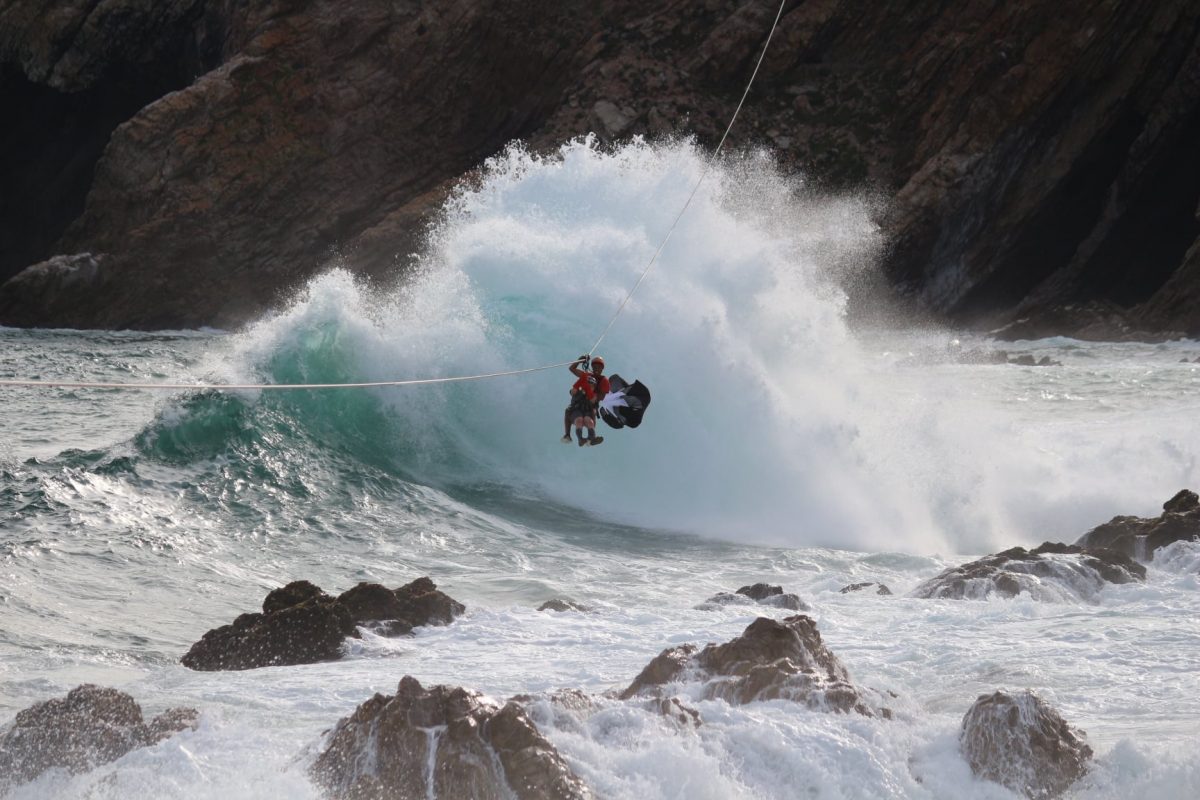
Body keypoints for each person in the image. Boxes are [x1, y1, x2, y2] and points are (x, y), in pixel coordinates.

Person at [561, 354, 609, 446]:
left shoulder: (603, 381)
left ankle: (592, 438)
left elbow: (601, 397)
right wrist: (580, 360)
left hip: (589, 408)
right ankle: (576, 438)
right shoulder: (586, 376)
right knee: (578, 419)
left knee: (589, 419)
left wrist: (592, 396)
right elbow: (572, 369)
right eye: (595, 367)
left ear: (602, 369)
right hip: (578, 408)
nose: (597, 369)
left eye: (599, 367)